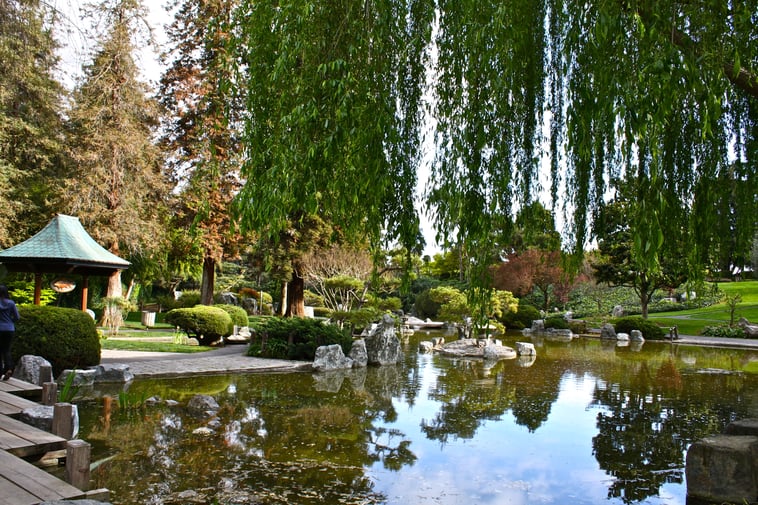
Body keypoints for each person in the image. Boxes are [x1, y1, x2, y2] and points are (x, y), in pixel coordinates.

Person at [0, 284, 20, 380]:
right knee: (7, 350)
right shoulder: (11, 303)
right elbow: (17, 317)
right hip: (9, 329)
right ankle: (9, 369)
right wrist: (10, 321)